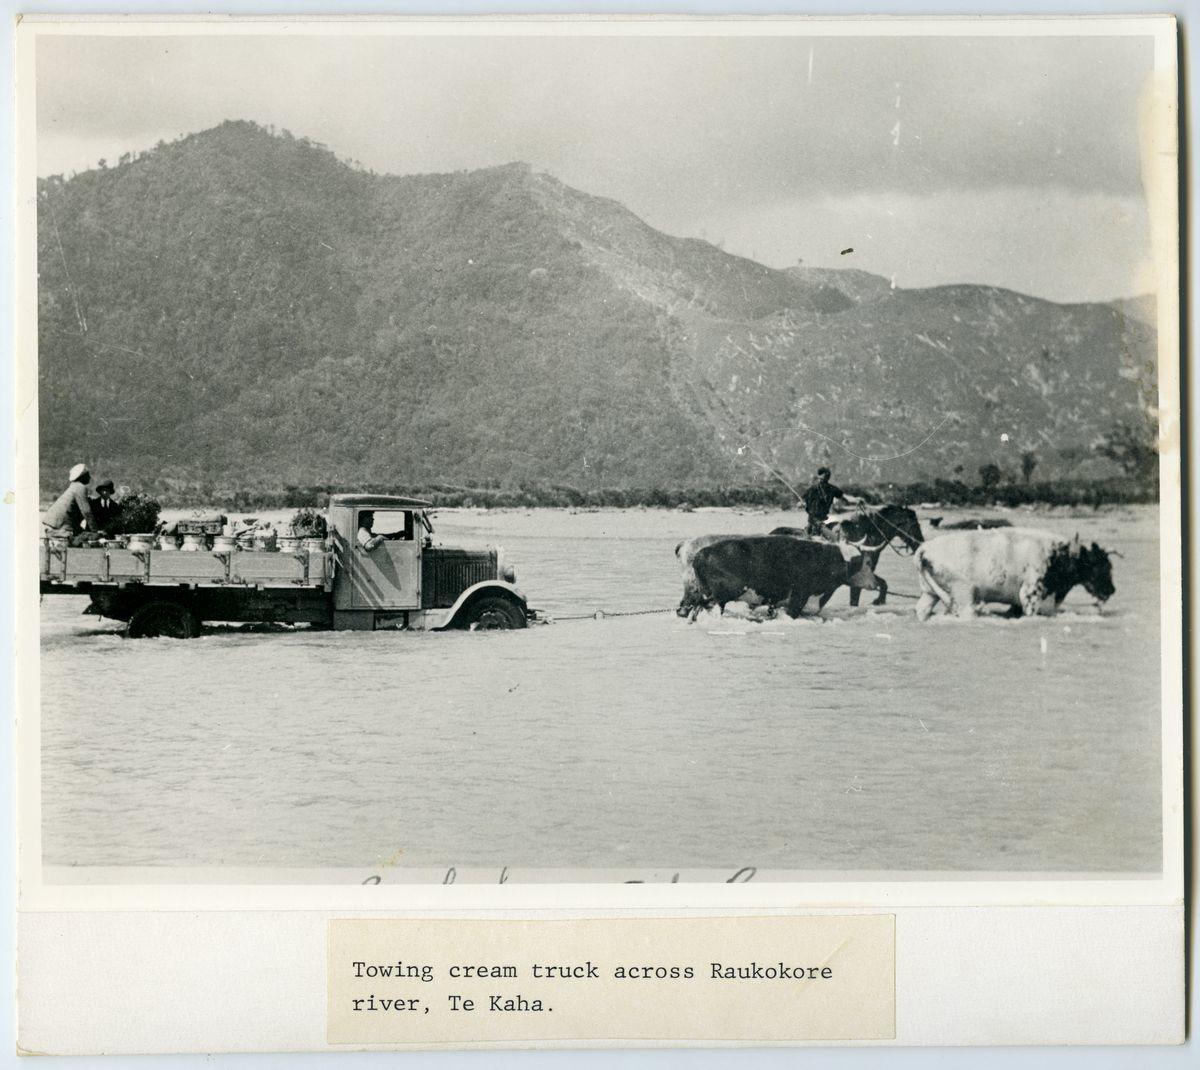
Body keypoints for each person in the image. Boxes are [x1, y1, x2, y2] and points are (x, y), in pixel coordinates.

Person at [42, 463, 98, 545]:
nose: (90, 477)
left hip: (54, 524)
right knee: (85, 538)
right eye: (88, 475)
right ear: (82, 476)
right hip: (59, 527)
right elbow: (86, 511)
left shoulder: (73, 486)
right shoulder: (80, 487)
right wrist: (95, 531)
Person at [802, 466, 859, 537]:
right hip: (814, 520)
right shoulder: (812, 489)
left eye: (825, 478)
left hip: (824, 519)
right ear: (819, 477)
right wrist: (802, 504)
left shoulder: (832, 489)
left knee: (838, 528)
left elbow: (845, 497)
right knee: (832, 537)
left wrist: (856, 500)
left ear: (827, 478)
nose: (822, 480)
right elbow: (803, 501)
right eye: (821, 478)